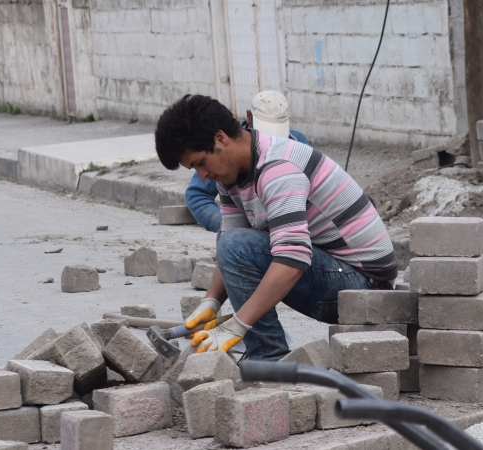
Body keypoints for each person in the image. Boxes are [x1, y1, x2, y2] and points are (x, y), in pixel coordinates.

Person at [154, 94, 398, 360]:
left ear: (221, 138)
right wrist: (211, 302)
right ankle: (264, 354)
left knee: (238, 247)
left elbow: (292, 257)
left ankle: (267, 357)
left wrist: (238, 325)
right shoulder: (231, 175)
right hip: (339, 274)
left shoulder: (277, 167)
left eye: (200, 163)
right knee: (230, 237)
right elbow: (230, 237)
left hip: (366, 290)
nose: (202, 175)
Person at [184, 91, 308, 232]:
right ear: (249, 117)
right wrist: (223, 223)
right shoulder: (226, 152)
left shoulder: (298, 143)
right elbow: (197, 195)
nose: (269, 145)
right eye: (264, 134)